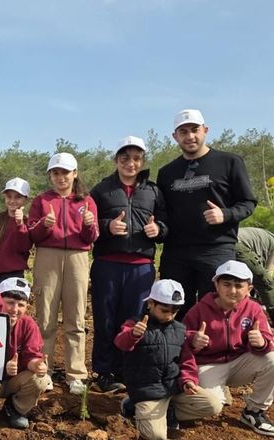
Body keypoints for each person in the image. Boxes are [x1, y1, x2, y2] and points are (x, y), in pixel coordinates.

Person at [157, 109, 257, 317]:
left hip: (216, 249)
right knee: (174, 310)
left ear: (205, 130)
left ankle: (214, 350)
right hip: (176, 252)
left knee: (214, 310)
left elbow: (248, 202)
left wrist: (226, 214)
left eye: (195, 130)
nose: (190, 136)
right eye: (183, 132)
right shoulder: (167, 172)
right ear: (175, 136)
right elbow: (162, 212)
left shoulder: (229, 162)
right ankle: (179, 350)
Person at [89, 136, 167, 393]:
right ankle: (104, 371)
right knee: (105, 319)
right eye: (124, 158)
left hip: (141, 266)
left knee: (133, 318)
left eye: (136, 158)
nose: (130, 163)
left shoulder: (153, 191)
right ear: (116, 160)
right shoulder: (102, 190)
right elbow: (88, 225)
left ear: (142, 161)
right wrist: (107, 227)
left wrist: (159, 228)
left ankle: (127, 369)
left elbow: (168, 224)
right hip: (107, 264)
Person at [115, 279, 221, 440]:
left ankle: (168, 411)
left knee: (213, 405)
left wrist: (188, 380)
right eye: (164, 311)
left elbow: (187, 361)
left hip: (174, 388)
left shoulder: (180, 330)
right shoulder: (135, 325)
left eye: (175, 311)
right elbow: (121, 343)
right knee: (154, 435)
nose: (169, 316)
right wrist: (134, 335)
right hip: (147, 390)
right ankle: (132, 405)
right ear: (150, 303)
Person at [28, 153, 98, 395]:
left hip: (78, 257)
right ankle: (43, 370)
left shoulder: (86, 201)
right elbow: (33, 235)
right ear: (50, 175)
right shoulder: (41, 201)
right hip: (48, 255)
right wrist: (44, 226)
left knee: (76, 317)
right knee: (45, 315)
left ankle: (76, 374)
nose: (60, 177)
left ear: (74, 174)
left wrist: (89, 224)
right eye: (55, 173)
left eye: (65, 172)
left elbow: (92, 237)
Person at [183, 260, 274, 437]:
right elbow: (180, 338)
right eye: (226, 284)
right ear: (216, 284)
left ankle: (254, 412)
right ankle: (172, 405)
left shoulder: (254, 309)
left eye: (239, 285)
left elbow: (268, 340)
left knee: (272, 359)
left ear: (249, 288)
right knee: (213, 405)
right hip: (208, 365)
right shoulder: (199, 309)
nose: (232, 291)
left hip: (239, 362)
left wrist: (261, 342)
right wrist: (193, 340)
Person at [0, 278, 49, 429]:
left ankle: (15, 408)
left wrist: (37, 365)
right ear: (0, 301)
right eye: (10, 303)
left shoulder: (28, 324)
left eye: (21, 305)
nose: (15, 309)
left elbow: (31, 355)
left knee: (41, 379)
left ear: (27, 307)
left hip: (14, 381)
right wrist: (2, 367)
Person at [236, 227, 274, 317]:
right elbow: (269, 273)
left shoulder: (266, 238)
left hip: (222, 241)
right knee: (265, 283)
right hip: (237, 244)